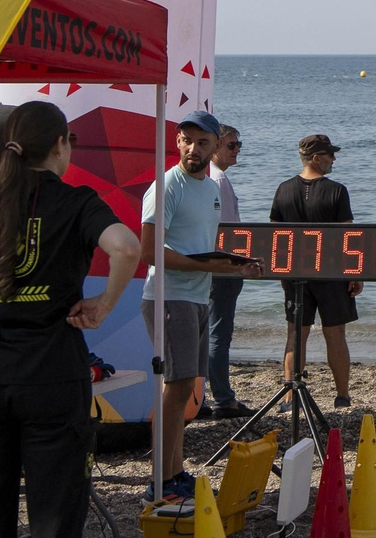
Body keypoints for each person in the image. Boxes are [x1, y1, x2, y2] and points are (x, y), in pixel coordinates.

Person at [0, 102, 140, 538]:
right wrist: (103, 304)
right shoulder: (76, 200)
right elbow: (127, 248)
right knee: (55, 515)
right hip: (53, 375)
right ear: (61, 145)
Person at [139, 110, 261, 502]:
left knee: (184, 391)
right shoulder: (166, 187)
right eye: (187, 141)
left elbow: (199, 247)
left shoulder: (210, 188)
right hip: (167, 295)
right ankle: (160, 480)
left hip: (195, 294)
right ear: (177, 141)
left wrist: (234, 263)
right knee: (174, 391)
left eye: (203, 143)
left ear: (215, 146)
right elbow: (148, 251)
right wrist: (203, 265)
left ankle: (174, 472)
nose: (194, 149)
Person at [270, 135, 360, 409]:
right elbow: (348, 237)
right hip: (331, 273)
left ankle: (290, 397)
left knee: (295, 334)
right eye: (330, 154)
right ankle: (342, 395)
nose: (334, 159)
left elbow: (275, 236)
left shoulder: (283, 189)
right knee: (335, 335)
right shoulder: (337, 191)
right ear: (316, 157)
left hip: (295, 273)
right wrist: (355, 272)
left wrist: (281, 272)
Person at [205, 124, 251, 420]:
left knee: (205, 334)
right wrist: (237, 264)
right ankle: (223, 398)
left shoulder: (206, 178)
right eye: (231, 145)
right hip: (221, 267)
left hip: (209, 265)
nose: (236, 150)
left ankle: (201, 397)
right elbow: (226, 232)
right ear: (217, 145)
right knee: (218, 334)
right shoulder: (218, 179)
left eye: (238, 145)